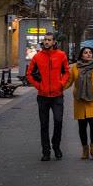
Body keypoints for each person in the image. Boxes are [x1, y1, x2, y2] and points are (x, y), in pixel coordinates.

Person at [27, 32, 69, 161]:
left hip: (57, 96)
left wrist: (61, 84)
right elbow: (29, 74)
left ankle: (56, 147)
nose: (46, 42)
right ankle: (46, 151)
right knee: (44, 125)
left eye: (49, 40)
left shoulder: (61, 55)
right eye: (45, 40)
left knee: (58, 122)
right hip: (43, 96)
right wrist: (38, 86)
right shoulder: (37, 57)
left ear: (54, 42)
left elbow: (67, 72)